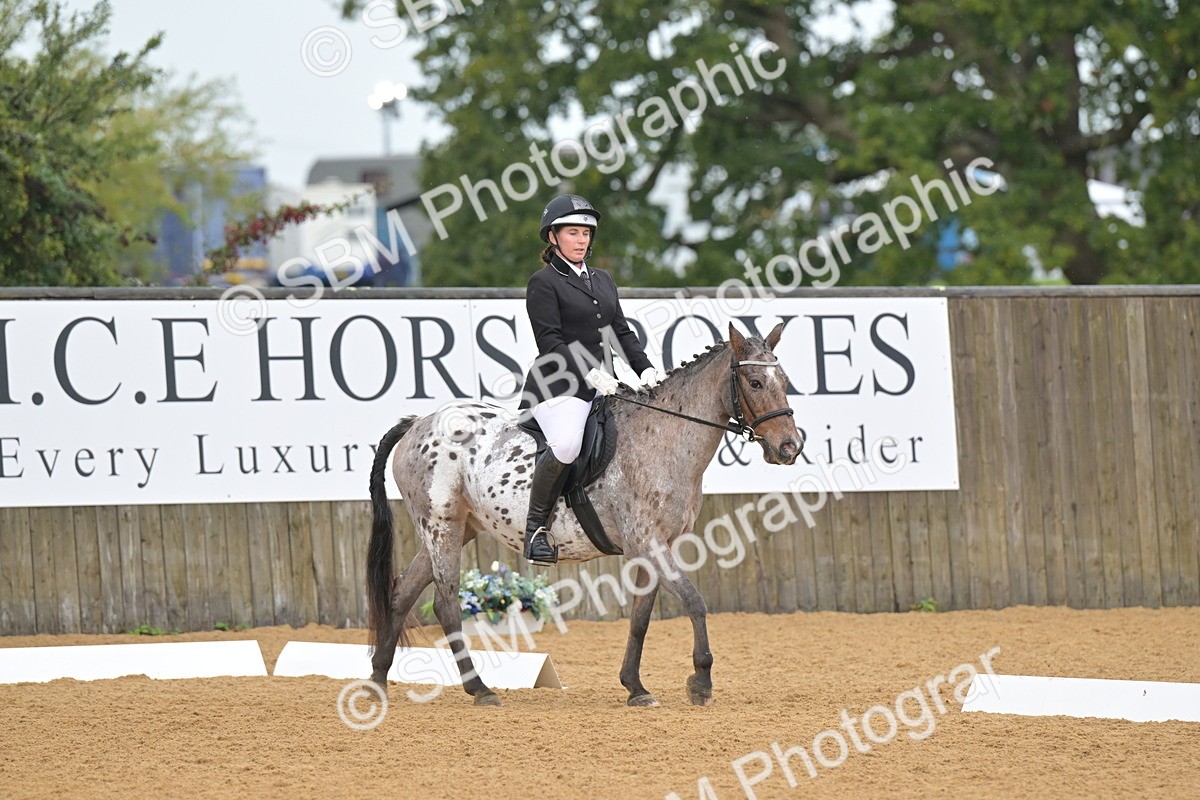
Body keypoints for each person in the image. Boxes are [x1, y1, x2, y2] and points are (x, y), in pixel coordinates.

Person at [517, 194, 665, 565]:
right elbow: (550, 341)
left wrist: (644, 368)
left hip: (607, 385)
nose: (581, 240)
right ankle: (536, 528)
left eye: (585, 233)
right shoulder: (543, 282)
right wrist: (591, 374)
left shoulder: (603, 279)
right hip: (560, 386)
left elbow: (621, 330)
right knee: (566, 446)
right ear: (553, 237)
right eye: (572, 233)